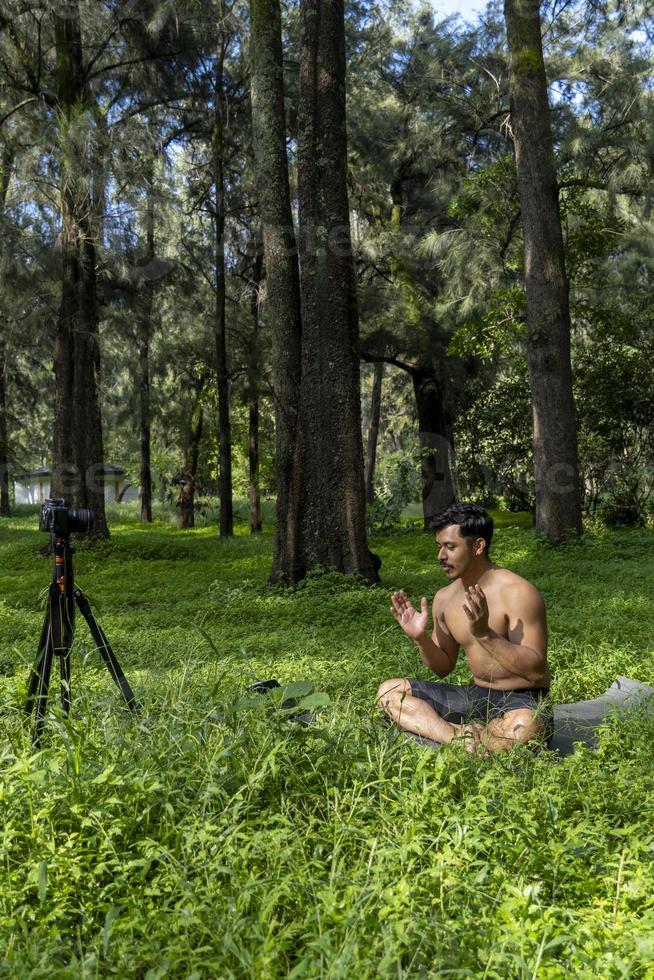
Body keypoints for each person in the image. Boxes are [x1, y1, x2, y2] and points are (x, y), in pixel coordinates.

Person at [376, 502, 552, 754]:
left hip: (522, 699)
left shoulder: (518, 593)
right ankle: (460, 738)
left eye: (450, 547)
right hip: (475, 696)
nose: (441, 556)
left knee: (526, 728)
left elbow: (534, 672)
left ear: (478, 546)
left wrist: (484, 634)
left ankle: (465, 734)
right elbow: (443, 667)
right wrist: (421, 638)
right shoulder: (445, 598)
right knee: (390, 692)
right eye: (439, 547)